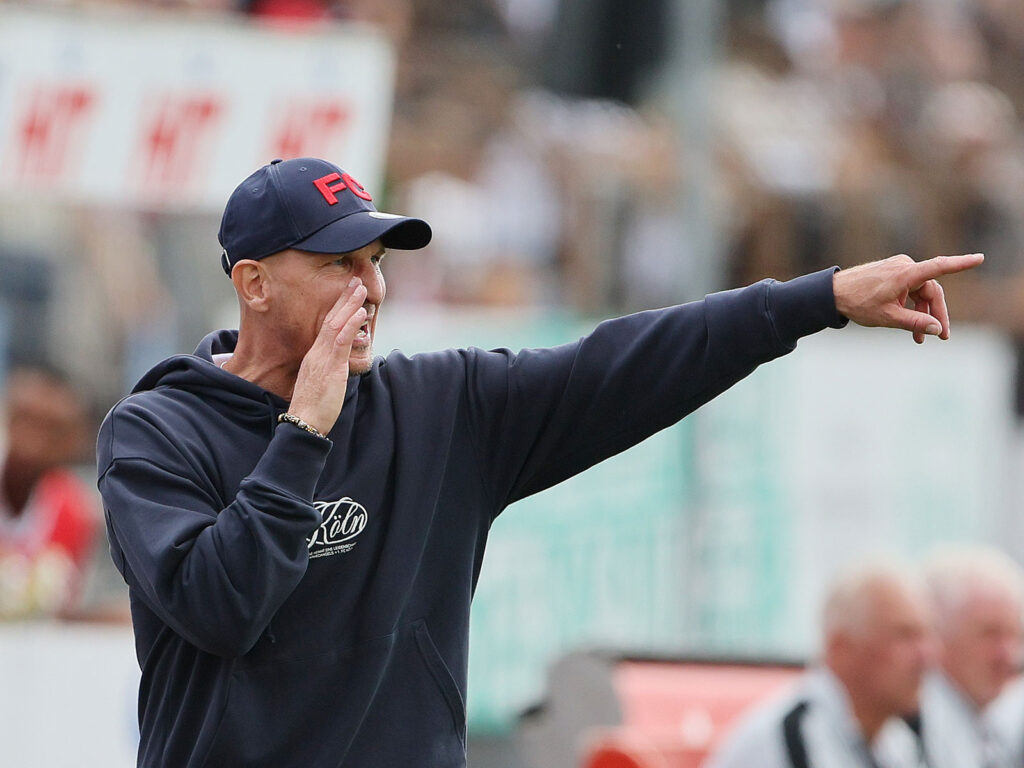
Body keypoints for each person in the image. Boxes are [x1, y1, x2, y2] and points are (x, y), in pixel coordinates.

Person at [96, 156, 982, 768]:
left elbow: (626, 363)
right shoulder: (156, 433)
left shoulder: (442, 406)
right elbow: (223, 606)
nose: (369, 290)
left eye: (375, 262)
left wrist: (817, 299)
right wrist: (302, 437)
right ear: (254, 284)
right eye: (338, 264)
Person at [704, 562, 935, 768]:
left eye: (926, 636)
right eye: (904, 636)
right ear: (841, 648)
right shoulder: (792, 736)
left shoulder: (896, 741)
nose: (927, 656)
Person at [0, 364, 97, 618]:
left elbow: (60, 612)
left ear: (74, 441)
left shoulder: (74, 511)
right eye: (24, 420)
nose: (32, 442)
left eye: (52, 430)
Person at [918, 546, 1024, 768]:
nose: (1008, 654)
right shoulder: (911, 728)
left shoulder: (988, 722)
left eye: (1015, 636)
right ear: (937, 633)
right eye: (990, 634)